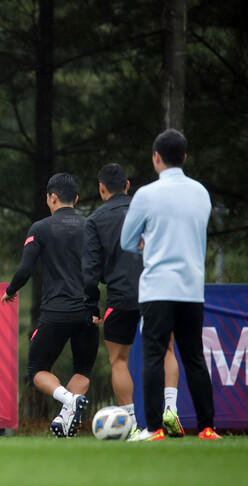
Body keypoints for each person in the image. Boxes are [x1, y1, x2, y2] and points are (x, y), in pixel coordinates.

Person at [121, 128, 220, 441]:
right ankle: (207, 427)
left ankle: (153, 430)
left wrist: (147, 242)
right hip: (191, 288)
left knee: (152, 357)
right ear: (185, 157)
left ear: (156, 158)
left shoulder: (147, 194)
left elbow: (127, 240)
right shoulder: (201, 193)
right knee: (193, 357)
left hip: (158, 288)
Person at [83, 163, 183, 440]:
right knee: (167, 351)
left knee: (118, 361)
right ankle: (171, 410)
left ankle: (132, 425)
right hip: (158, 290)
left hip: (120, 295)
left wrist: (91, 305)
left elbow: (90, 270)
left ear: (101, 189)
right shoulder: (150, 210)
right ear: (128, 186)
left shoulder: (95, 220)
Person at [1, 173, 98, 438]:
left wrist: (10, 291)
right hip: (87, 313)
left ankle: (68, 401)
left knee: (36, 371)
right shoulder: (91, 226)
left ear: (51, 197)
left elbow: (25, 269)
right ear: (76, 199)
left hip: (56, 312)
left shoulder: (40, 228)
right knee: (83, 370)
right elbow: (100, 269)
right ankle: (67, 417)